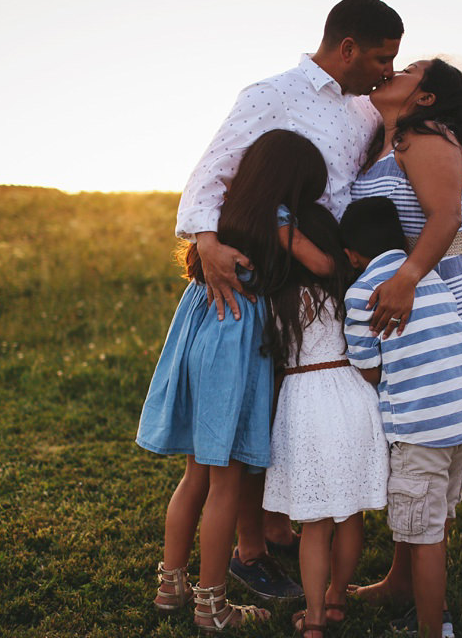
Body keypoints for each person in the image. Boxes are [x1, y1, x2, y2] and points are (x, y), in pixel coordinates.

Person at [176, 0, 404, 599]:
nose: (386, 70)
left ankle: (283, 528)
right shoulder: (268, 94)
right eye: (381, 58)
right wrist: (207, 240)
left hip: (331, 274)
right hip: (272, 274)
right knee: (261, 407)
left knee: (292, 412)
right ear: (347, 46)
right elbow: (212, 173)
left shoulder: (364, 110)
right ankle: (250, 549)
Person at [136, 130, 337, 632]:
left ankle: (171, 585)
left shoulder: (220, 216)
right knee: (225, 480)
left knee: (195, 475)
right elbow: (323, 264)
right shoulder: (277, 220)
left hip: (198, 333)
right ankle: (212, 606)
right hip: (233, 342)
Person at [349, 58, 462, 635]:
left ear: (425, 98)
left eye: (410, 69)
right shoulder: (392, 135)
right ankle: (404, 577)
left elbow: (446, 215)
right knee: (416, 443)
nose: (391, 72)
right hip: (418, 295)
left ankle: (422, 599)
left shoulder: (426, 136)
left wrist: (406, 279)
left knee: (430, 436)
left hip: (436, 292)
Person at [340, 195, 462, 638]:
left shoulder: (362, 292)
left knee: (424, 537)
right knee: (435, 521)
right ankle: (422, 604)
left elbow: (366, 369)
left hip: (421, 429)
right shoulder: (430, 278)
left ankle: (431, 629)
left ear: (350, 254)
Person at [261, 201, 389, 637]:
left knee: (314, 523)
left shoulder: (275, 294)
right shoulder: (347, 286)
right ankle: (337, 599)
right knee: (351, 513)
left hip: (305, 400)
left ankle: (314, 620)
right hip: (352, 394)